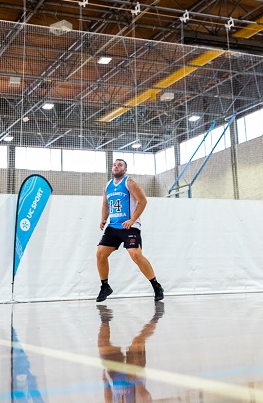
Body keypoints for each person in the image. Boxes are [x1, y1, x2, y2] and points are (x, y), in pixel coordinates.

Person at [96, 159, 164, 302]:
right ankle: (105, 286)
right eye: (114, 165)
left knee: (136, 255)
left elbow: (143, 201)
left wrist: (132, 220)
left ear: (125, 169)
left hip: (129, 226)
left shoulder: (129, 182)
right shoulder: (107, 185)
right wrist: (103, 219)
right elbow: (105, 204)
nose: (116, 167)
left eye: (120, 165)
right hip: (113, 226)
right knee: (100, 254)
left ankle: (156, 285)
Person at [97, 302, 163, 402]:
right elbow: (146, 397)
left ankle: (105, 318)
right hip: (134, 373)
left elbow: (108, 400)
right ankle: (157, 316)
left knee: (103, 346)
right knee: (137, 343)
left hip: (115, 375)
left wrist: (106, 384)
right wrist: (137, 381)